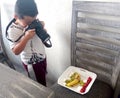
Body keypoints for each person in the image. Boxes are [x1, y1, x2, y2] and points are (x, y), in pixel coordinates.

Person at [6, 0, 48, 86]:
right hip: (31, 63)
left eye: (34, 20)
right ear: (16, 16)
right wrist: (26, 38)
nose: (31, 24)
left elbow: (40, 39)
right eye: (28, 22)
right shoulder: (12, 30)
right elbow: (15, 51)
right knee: (39, 86)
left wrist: (42, 29)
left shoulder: (32, 20)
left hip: (42, 56)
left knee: (42, 78)